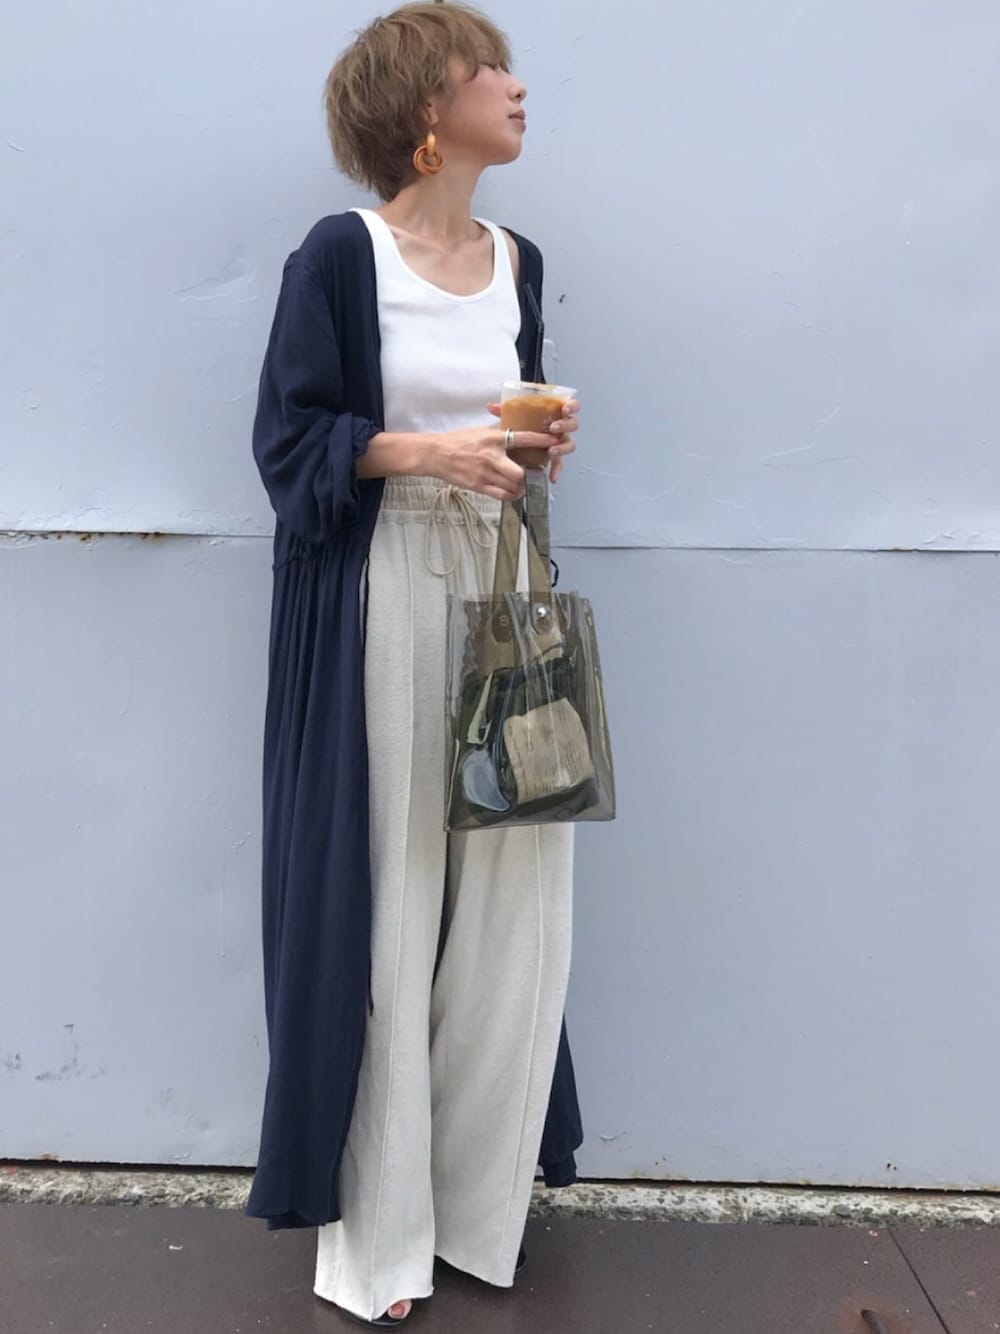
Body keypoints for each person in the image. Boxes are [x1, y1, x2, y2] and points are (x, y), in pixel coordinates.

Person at [246, 4, 584, 1326]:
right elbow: (290, 443)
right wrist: (426, 451)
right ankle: (378, 1241)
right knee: (389, 895)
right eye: (488, 67)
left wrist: (532, 446)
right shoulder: (345, 255)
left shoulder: (519, 260)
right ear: (427, 106)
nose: (516, 85)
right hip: (381, 580)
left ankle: (476, 1213)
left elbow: (505, 432)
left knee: (517, 897)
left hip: (503, 578)